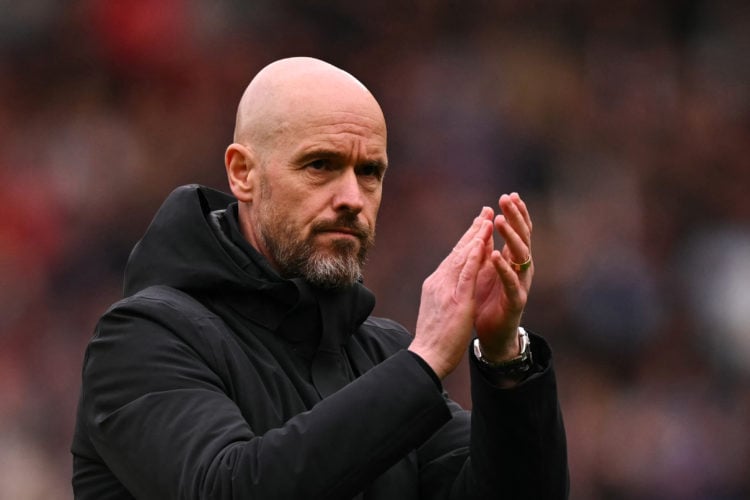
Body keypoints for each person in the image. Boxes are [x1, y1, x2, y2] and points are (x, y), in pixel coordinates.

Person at [71, 56, 568, 499]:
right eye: (321, 165)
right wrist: (427, 360)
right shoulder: (140, 339)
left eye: (369, 171)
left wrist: (506, 363)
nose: (352, 197)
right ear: (243, 173)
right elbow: (225, 486)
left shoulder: (381, 356)